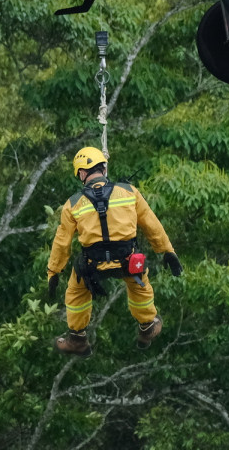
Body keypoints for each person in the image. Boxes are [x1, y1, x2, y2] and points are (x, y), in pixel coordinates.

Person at [47, 146, 182, 357]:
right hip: (127, 261)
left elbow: (61, 243)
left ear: (82, 172)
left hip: (93, 265)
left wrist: (53, 272)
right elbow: (151, 225)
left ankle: (77, 339)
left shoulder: (72, 204)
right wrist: (167, 251)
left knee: (76, 290)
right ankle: (147, 326)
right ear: (103, 168)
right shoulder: (129, 192)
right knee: (139, 284)